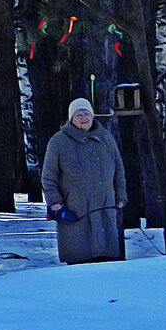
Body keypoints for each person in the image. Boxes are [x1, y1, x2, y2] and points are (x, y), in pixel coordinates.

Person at [41, 98, 127, 264]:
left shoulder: (106, 138)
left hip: (106, 206)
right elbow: (48, 176)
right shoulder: (59, 141)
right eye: (78, 114)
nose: (83, 118)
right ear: (71, 117)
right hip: (75, 208)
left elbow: (119, 169)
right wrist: (55, 202)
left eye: (86, 113)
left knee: (108, 257)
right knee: (81, 258)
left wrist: (121, 196)